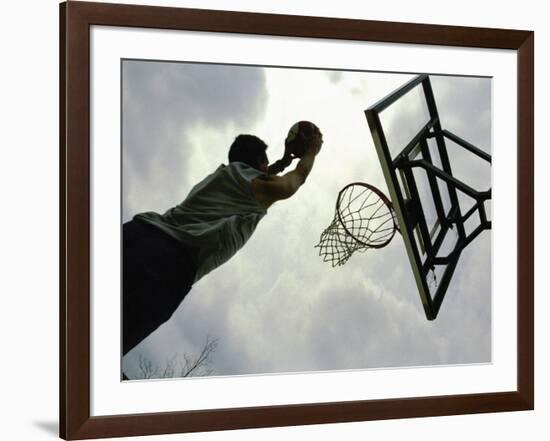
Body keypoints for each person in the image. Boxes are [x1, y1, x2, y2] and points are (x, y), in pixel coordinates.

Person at [122, 128, 323, 356]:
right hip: (168, 262)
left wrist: (283, 161)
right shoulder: (257, 188)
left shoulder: (226, 176)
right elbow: (293, 183)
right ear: (258, 163)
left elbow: (263, 174)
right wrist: (312, 151)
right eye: (265, 165)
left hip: (137, 232)